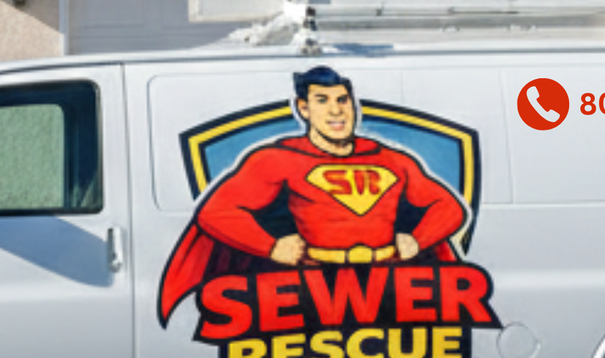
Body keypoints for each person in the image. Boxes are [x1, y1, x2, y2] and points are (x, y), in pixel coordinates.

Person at [158, 66, 470, 325]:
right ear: (303, 108)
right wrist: (271, 246)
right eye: (322, 100)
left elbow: (450, 208)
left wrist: (419, 238)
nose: (336, 110)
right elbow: (217, 212)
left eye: (343, 100)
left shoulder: (391, 159)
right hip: (314, 284)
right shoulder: (277, 159)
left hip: (386, 282)